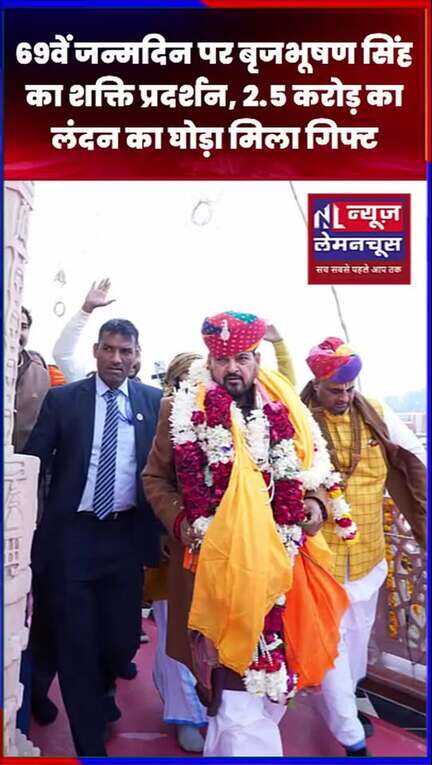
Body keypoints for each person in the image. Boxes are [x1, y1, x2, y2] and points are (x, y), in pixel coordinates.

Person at [143, 311, 352, 757]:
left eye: (241, 358)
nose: (232, 368)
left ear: (257, 358)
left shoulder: (286, 406)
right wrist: (185, 523)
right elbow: (155, 479)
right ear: (209, 360)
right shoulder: (180, 409)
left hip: (283, 575)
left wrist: (314, 505)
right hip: (214, 575)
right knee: (236, 697)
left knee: (265, 699)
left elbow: (313, 468)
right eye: (222, 360)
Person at [25, 318, 163, 756]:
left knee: (121, 641)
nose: (116, 359)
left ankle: (101, 695)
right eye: (109, 349)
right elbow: (32, 464)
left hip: (126, 538)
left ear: (136, 356)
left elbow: (165, 472)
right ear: (96, 351)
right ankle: (89, 744)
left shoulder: (154, 403)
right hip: (72, 539)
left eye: (125, 351)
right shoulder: (64, 400)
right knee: (77, 644)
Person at [301, 336, 426, 757]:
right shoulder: (299, 421)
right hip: (321, 558)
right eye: (335, 390)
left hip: (370, 555)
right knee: (333, 642)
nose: (344, 397)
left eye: (349, 389)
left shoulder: (375, 413)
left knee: (356, 641)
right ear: (316, 385)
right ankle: (349, 733)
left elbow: (414, 457)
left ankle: (343, 705)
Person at [14, 306, 50, 453]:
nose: (16, 332)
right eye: (11, 324)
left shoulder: (39, 370)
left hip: (24, 461)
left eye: (23, 327)